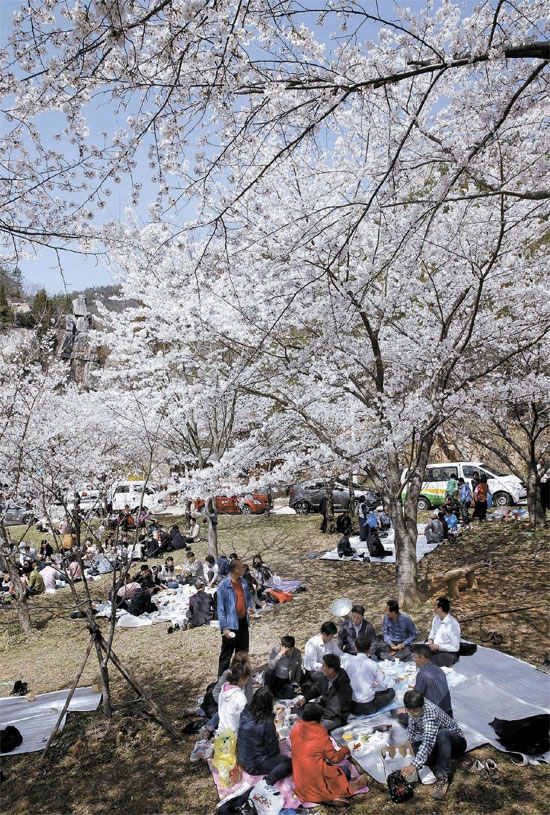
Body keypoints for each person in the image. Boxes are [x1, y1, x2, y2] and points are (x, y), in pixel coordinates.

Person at [290, 702, 368, 807]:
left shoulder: (296, 728)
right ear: (319, 719)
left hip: (300, 780)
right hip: (316, 780)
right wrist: (347, 749)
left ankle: (325, 797)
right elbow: (334, 758)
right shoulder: (320, 732)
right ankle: (340, 791)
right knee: (344, 771)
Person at [401, 690, 466, 800]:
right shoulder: (413, 707)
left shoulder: (431, 713)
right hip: (437, 742)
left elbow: (427, 743)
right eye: (409, 710)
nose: (412, 713)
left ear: (422, 706)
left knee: (442, 734)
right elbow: (412, 722)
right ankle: (445, 758)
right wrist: (410, 740)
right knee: (413, 750)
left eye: (415, 711)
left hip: (456, 743)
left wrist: (414, 766)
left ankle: (442, 777)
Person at [236, 688, 293, 786]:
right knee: (288, 763)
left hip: (241, 757)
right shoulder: (266, 721)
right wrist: (274, 737)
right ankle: (268, 781)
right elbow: (273, 750)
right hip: (254, 765)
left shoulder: (245, 712)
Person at [216, 559, 255, 676]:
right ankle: (221, 682)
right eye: (241, 567)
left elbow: (247, 598)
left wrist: (249, 607)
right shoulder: (223, 585)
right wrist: (224, 628)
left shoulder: (243, 582)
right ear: (235, 569)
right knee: (226, 655)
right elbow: (221, 609)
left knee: (242, 652)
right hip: (230, 624)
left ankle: (239, 677)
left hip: (242, 622)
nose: (243, 569)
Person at [299, 654, 352, 732]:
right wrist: (305, 698)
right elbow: (316, 689)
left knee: (313, 729)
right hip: (323, 708)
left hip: (335, 716)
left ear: (331, 670)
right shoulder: (326, 676)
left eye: (323, 665)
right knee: (299, 707)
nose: (321, 667)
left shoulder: (343, 685)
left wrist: (316, 715)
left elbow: (334, 709)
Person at [343, 636, 395, 715]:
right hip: (367, 707)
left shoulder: (347, 662)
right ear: (369, 650)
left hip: (351, 706)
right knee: (391, 692)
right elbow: (383, 686)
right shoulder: (373, 664)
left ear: (356, 649)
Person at [412, 644, 453, 716]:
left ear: (422, 658)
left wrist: (405, 709)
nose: (413, 659)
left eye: (415, 657)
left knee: (399, 714)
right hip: (448, 713)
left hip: (435, 716)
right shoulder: (439, 669)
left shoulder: (423, 674)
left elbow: (416, 698)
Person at [217, 660, 251, 734]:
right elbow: (246, 719)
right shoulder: (239, 697)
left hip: (222, 730)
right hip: (234, 734)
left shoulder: (224, 687)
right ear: (242, 679)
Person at [427, 597, 460, 666]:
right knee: (418, 652)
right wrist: (430, 641)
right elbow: (432, 633)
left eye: (435, 606)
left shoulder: (453, 624)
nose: (434, 608)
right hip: (434, 648)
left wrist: (438, 647)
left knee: (431, 660)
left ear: (440, 609)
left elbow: (455, 647)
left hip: (448, 652)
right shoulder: (436, 619)